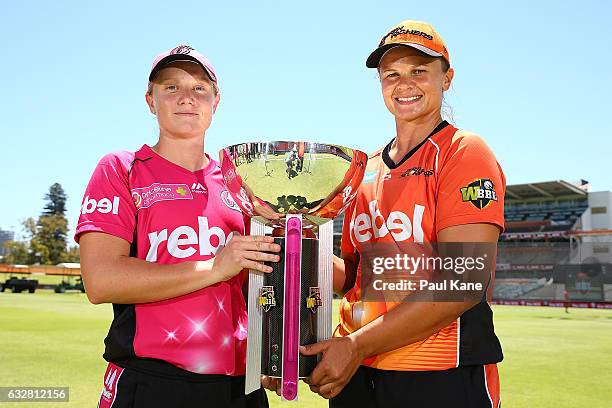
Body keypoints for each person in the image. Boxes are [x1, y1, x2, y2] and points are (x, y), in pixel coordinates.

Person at [299, 21, 505, 407]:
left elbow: (465, 280)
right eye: (391, 74)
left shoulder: (464, 152)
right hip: (359, 375)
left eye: (419, 71)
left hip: (438, 374)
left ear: (447, 78)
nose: (404, 84)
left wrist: (357, 345)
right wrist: (292, 246)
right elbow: (357, 279)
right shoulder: (367, 168)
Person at [76, 45, 279, 408]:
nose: (187, 97)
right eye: (171, 87)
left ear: (216, 101)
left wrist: (277, 348)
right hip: (153, 379)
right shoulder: (122, 168)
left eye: (200, 88)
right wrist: (215, 267)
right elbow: (101, 279)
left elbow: (258, 281)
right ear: (150, 100)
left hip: (240, 386)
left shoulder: (241, 182)